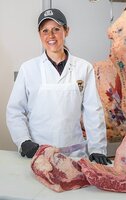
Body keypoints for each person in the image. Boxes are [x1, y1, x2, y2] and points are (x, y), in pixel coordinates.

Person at [6, 8, 111, 165]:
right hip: (38, 153)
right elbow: (15, 110)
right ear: (39, 34)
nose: (51, 36)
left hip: (75, 154)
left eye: (56, 29)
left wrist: (97, 148)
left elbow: (93, 111)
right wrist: (23, 141)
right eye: (45, 31)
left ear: (66, 31)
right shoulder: (28, 69)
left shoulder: (84, 67)